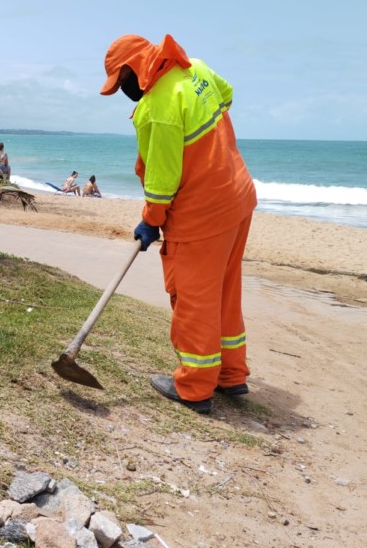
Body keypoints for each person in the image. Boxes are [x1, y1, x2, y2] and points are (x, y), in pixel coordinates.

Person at [100, 33, 257, 415]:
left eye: (122, 83)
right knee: (223, 288)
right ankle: (231, 375)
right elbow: (228, 94)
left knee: (193, 297)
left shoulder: (157, 107)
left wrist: (150, 222)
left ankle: (194, 385)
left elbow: (162, 178)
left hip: (202, 215)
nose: (124, 91)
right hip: (238, 197)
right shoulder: (195, 69)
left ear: (136, 70)